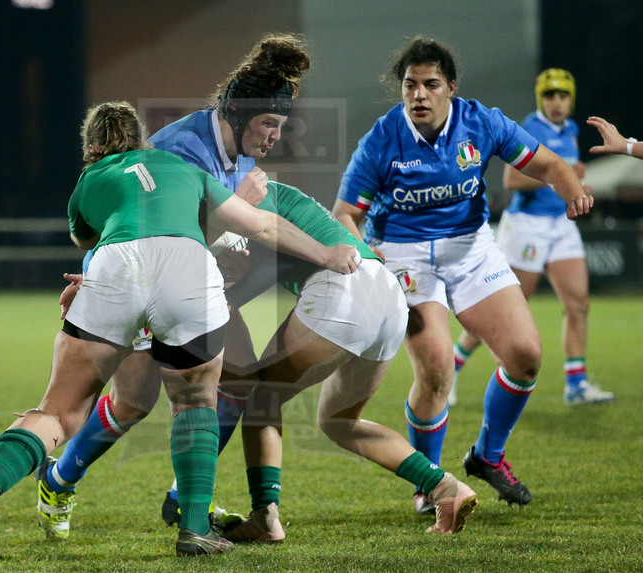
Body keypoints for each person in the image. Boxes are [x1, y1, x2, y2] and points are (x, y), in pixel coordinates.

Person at [0, 100, 359, 563]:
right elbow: (258, 222)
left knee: (59, 412)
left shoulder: (89, 179)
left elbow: (90, 239)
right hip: (188, 267)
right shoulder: (180, 164)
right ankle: (194, 530)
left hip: (116, 270)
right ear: (141, 140)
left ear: (92, 147)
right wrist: (328, 254)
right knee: (197, 399)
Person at [33, 32, 312, 539]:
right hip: (138, 279)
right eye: (269, 124)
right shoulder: (184, 149)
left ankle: (187, 501)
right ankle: (60, 476)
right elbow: (157, 231)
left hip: (186, 283)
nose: (274, 137)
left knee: (237, 379)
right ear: (237, 115)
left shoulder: (239, 149)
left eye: (280, 126)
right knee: (134, 400)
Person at [332, 37, 593, 513]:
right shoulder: (382, 138)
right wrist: (365, 254)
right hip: (404, 254)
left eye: (430, 84)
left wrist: (572, 190)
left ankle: (488, 457)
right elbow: (345, 213)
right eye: (410, 85)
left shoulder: (482, 122)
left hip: (471, 247)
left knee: (526, 356)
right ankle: (430, 484)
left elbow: (550, 164)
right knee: (434, 368)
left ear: (450, 88)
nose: (419, 95)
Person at [221, 179, 478, 542]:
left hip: (342, 290)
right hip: (387, 293)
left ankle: (265, 517)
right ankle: (444, 486)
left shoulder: (249, 202)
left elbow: (245, 283)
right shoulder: (279, 193)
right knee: (340, 420)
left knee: (262, 397)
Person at [451, 69, 615, 406]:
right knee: (506, 309)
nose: (557, 102)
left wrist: (575, 185)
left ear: (571, 100)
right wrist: (560, 174)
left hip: (560, 224)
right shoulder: (531, 127)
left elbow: (565, 174)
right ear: (541, 98)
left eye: (563, 96)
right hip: (527, 225)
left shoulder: (569, 129)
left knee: (578, 303)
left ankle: (576, 385)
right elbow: (512, 180)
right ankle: (451, 367)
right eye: (550, 95)